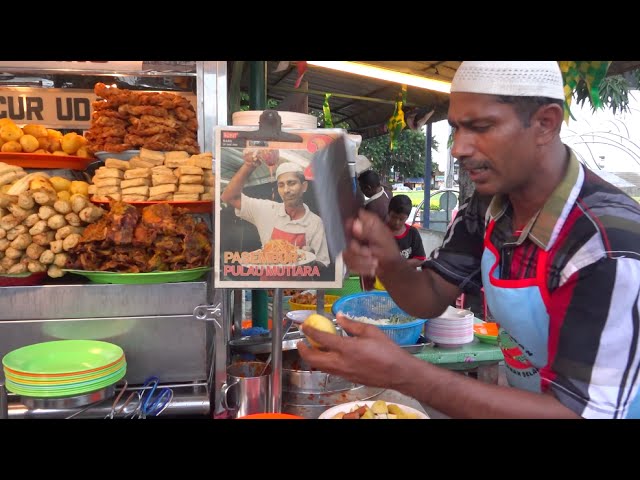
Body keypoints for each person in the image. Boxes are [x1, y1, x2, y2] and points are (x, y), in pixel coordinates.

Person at [298, 61, 640, 419]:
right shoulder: (487, 206)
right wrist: (388, 260)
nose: (458, 148)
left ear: (545, 123)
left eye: (481, 127)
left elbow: (579, 412)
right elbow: (430, 295)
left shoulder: (604, 244)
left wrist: (402, 372)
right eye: (457, 128)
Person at [221, 150, 330, 268]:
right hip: (267, 283)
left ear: (304, 186)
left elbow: (323, 264)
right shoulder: (267, 210)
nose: (286, 190)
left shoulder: (315, 222)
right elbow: (228, 197)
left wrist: (310, 260)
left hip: (299, 284)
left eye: (291, 183)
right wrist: (248, 165)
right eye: (281, 185)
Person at [387, 194, 426, 268]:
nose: (396, 222)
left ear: (407, 217)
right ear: (388, 213)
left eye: (401, 219)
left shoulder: (412, 233)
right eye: (394, 217)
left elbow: (420, 259)